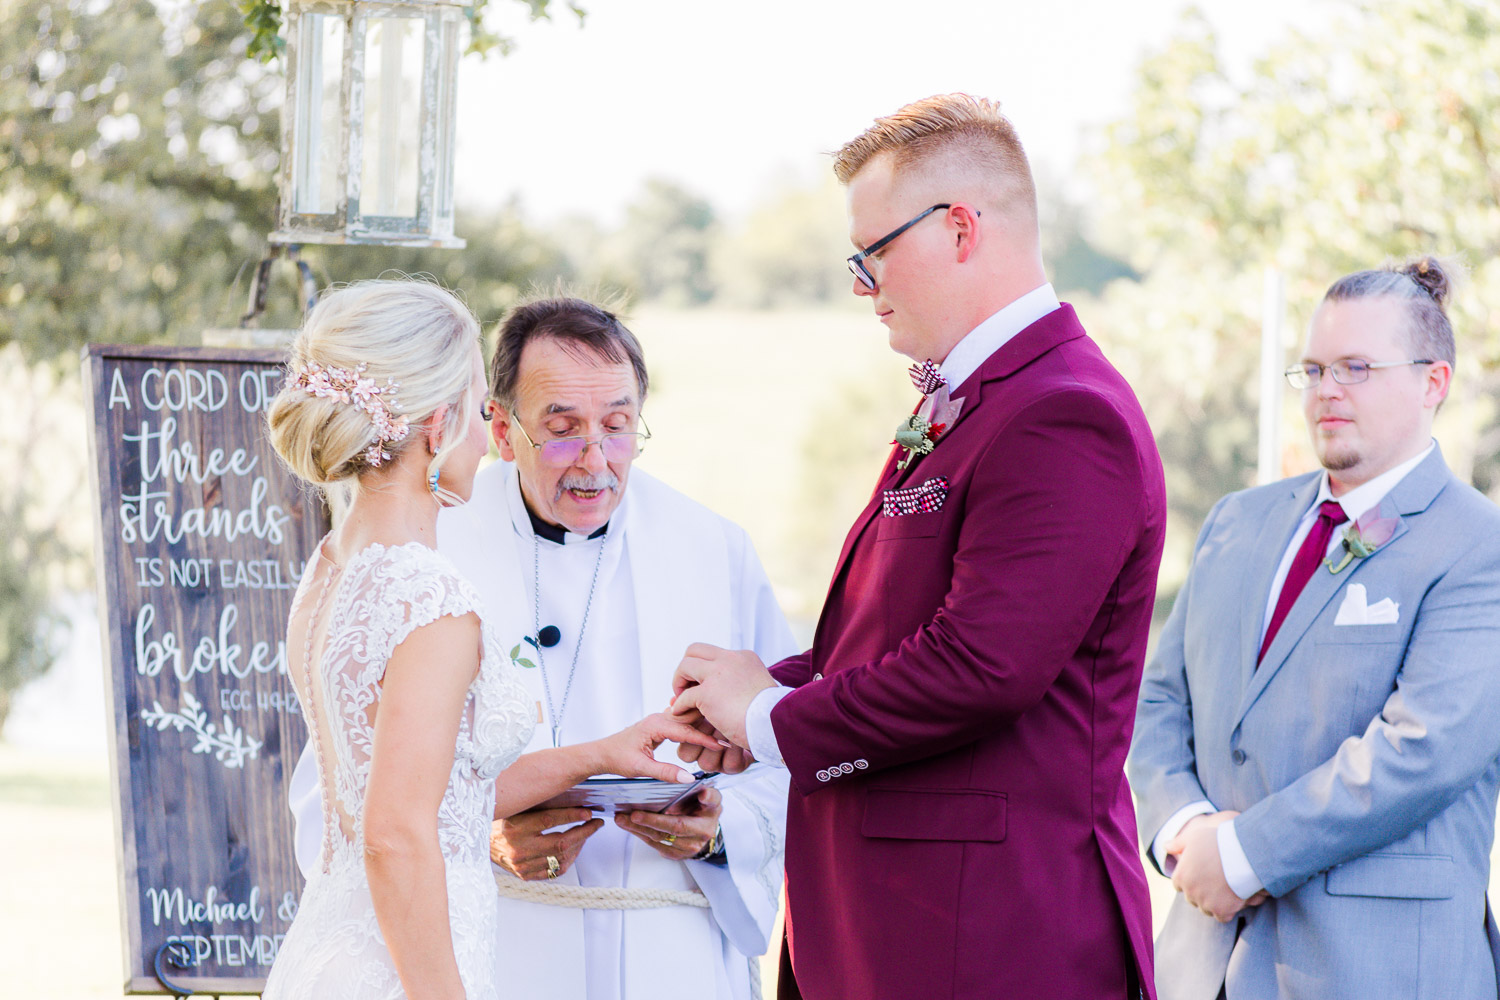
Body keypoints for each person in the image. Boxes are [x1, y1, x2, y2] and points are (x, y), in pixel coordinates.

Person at [669, 94, 1166, 1000]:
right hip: (896, 930)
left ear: (961, 229)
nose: (862, 284)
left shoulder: (1063, 412)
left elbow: (983, 666)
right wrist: (759, 700)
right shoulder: (975, 401)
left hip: (987, 938)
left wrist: (772, 721)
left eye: (874, 252)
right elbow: (895, 632)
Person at [288, 295, 796, 1000]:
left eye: (617, 426)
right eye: (561, 430)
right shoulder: (424, 558)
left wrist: (719, 833)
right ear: (500, 427)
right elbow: (346, 785)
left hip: (671, 952)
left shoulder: (714, 550)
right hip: (504, 948)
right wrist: (478, 835)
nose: (595, 460)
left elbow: (786, 747)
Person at [1129, 257, 1500, 1000]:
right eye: (1314, 370)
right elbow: (1161, 701)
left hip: (1377, 971)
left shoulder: (1477, 544)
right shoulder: (1236, 521)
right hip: (1202, 968)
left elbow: (1422, 750)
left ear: (1434, 382)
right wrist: (1185, 830)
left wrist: (1243, 857)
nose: (1327, 390)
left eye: (1356, 368)